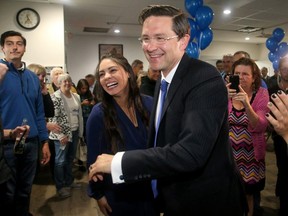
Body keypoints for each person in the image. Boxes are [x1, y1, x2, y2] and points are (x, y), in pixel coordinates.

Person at [88, 5, 246, 216]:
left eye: (160, 38)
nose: (150, 46)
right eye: (145, 39)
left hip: (205, 204)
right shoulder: (164, 81)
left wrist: (118, 162)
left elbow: (191, 152)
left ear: (183, 40)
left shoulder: (203, 78)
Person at [86, 53, 156, 216]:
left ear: (128, 73)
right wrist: (99, 195)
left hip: (149, 189)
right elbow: (93, 161)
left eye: (112, 70)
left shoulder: (149, 104)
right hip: (119, 195)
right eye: (102, 74)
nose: (107, 77)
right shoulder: (98, 115)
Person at [0, 30, 50, 215]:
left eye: (19, 43)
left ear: (24, 48)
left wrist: (44, 141)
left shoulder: (31, 77)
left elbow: (39, 111)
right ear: (2, 48)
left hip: (31, 143)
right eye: (9, 43)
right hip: (7, 143)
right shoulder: (0, 74)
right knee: (7, 193)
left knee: (25, 189)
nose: (14, 47)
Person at [226, 57, 269, 216]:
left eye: (245, 74)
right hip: (228, 155)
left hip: (251, 156)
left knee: (248, 196)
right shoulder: (227, 94)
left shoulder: (261, 94)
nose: (241, 77)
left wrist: (246, 103)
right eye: (237, 73)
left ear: (254, 77)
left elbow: (260, 125)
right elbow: (215, 121)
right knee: (230, 194)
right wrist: (223, 96)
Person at [48, 73, 83, 198]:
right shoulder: (55, 97)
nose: (67, 83)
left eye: (69, 81)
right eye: (64, 81)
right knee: (60, 161)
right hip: (62, 134)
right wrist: (61, 135)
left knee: (70, 159)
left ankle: (69, 182)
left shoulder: (76, 96)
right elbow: (53, 118)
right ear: (58, 84)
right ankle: (60, 186)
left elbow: (79, 115)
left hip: (74, 131)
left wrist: (80, 132)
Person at [27, 63, 61, 178]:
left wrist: (45, 94)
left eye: (43, 76)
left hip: (38, 135)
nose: (42, 78)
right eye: (38, 75)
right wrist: (45, 124)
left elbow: (50, 112)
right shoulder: (25, 92)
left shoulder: (40, 91)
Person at [267, 56, 288, 216]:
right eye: (285, 68)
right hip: (278, 138)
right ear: (279, 70)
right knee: (283, 168)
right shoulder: (272, 89)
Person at [76, 78, 94, 171]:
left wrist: (91, 103)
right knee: (80, 142)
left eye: (86, 88)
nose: (84, 90)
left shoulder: (89, 94)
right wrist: (82, 103)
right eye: (82, 88)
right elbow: (74, 107)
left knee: (88, 141)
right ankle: (80, 162)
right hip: (80, 120)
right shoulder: (75, 95)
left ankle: (88, 161)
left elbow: (93, 104)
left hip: (89, 119)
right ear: (79, 88)